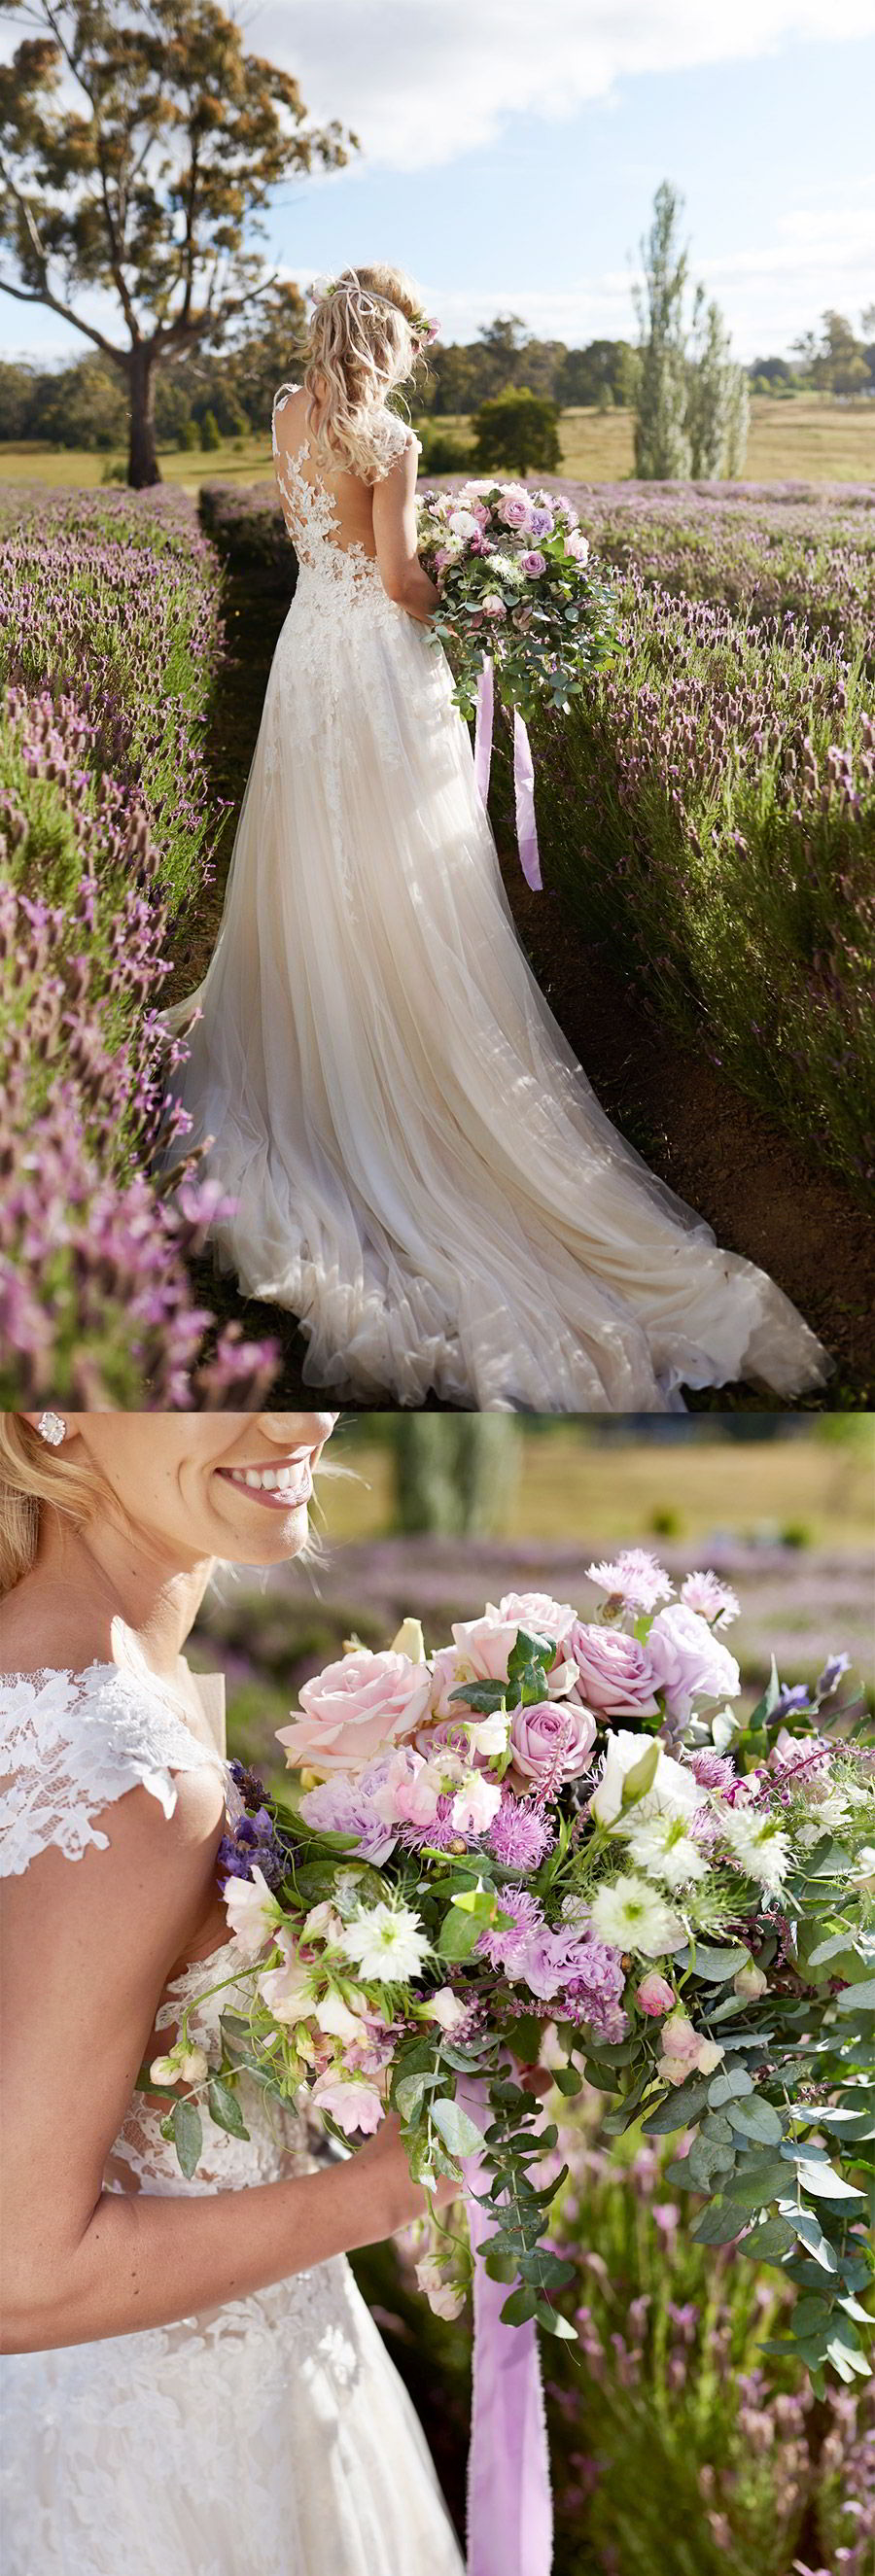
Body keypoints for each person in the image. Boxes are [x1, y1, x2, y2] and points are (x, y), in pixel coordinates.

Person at [161, 262, 828, 1414]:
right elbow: (401, 580)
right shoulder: (391, 440)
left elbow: (324, 553)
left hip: (306, 654)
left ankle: (312, 1025)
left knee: (315, 851)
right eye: (412, 339)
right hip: (373, 664)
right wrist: (483, 590)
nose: (419, 354)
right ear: (385, 343)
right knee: (405, 864)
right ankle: (403, 1065)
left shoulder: (284, 413)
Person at [0, 1408, 467, 2576]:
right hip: (149, 2476)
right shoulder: (129, 1773)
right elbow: (19, 2271)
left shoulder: (85, 1683)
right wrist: (391, 2187)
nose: (302, 1415)